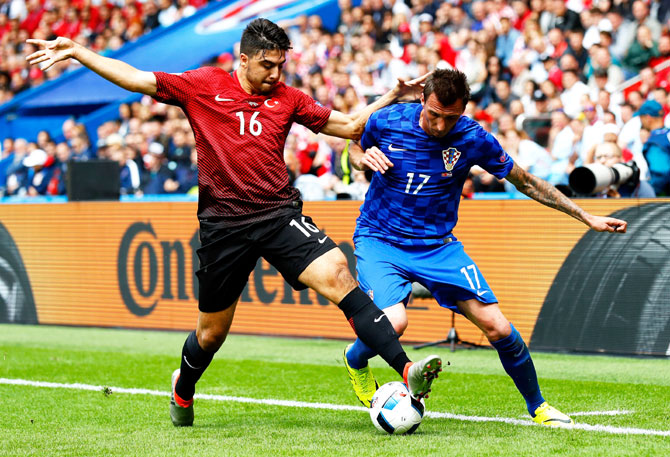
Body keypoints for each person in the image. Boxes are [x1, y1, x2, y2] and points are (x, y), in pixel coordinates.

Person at [26, 18, 443, 427]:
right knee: (211, 335)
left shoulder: (289, 98)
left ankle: (407, 371)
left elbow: (351, 126)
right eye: (267, 65)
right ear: (242, 60)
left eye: (281, 64)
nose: (276, 73)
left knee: (338, 273)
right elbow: (136, 79)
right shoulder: (203, 85)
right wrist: (80, 52)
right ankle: (183, 387)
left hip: (279, 215)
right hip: (223, 227)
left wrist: (392, 95)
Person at [343, 69, 627, 427]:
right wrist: (363, 158)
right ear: (421, 100)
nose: (442, 125)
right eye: (434, 114)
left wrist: (585, 215)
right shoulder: (387, 119)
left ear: (463, 110)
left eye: (451, 117)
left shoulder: (473, 137)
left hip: (437, 246)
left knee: (498, 327)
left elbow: (524, 181)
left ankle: (538, 407)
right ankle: (356, 360)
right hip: (381, 239)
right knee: (395, 321)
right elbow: (352, 144)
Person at [638, 99, 670, 196]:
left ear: (648, 118)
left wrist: (648, 190)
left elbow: (661, 172)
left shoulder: (655, 142)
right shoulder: (667, 133)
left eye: (641, 117)